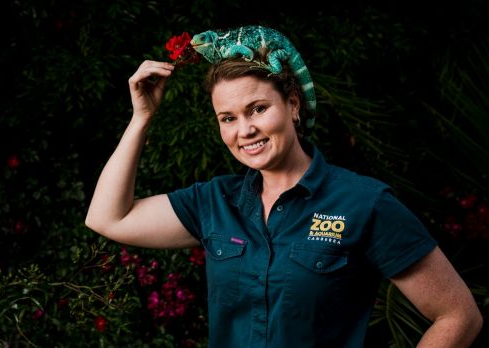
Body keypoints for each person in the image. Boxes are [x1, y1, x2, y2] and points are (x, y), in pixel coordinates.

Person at [85, 26, 483, 347]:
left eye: (258, 109)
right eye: (228, 118)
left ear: (292, 105)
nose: (245, 130)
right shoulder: (214, 201)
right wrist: (142, 118)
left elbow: (459, 315)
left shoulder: (364, 202)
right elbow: (108, 217)